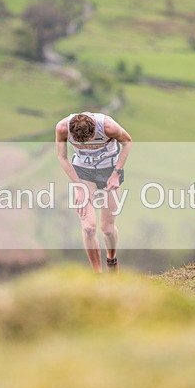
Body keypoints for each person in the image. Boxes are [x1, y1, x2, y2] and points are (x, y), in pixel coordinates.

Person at [55, 112, 132, 273]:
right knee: (89, 228)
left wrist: (116, 174)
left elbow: (127, 142)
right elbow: (62, 157)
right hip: (83, 173)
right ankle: (96, 274)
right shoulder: (62, 128)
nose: (86, 146)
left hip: (109, 171)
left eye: (89, 142)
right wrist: (79, 187)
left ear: (94, 131)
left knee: (107, 229)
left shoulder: (109, 127)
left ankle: (111, 259)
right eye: (79, 143)